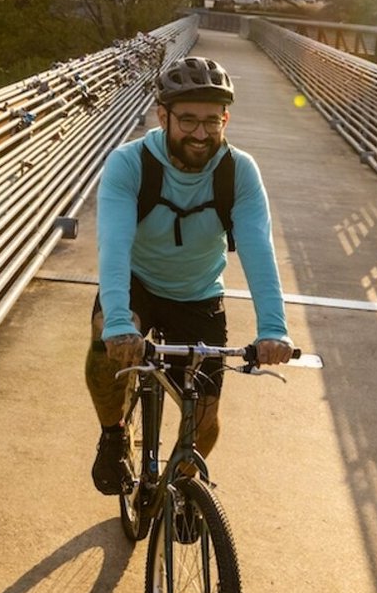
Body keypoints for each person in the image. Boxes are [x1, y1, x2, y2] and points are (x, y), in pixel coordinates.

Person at [88, 55, 296, 494]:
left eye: (212, 121)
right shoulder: (129, 164)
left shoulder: (238, 171)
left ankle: (180, 492)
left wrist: (273, 329)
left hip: (198, 291)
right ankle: (113, 434)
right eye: (187, 120)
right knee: (104, 344)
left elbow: (259, 249)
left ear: (225, 119)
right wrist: (121, 323)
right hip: (137, 281)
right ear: (163, 115)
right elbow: (114, 245)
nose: (201, 134)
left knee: (204, 417)